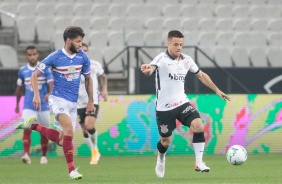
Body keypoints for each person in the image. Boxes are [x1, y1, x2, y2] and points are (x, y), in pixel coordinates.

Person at [140, 30, 230, 178]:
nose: (179, 47)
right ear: (168, 43)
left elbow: (201, 75)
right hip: (164, 108)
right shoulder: (161, 58)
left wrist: (217, 90)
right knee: (166, 141)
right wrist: (147, 69)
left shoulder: (187, 60)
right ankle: (161, 158)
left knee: (198, 125)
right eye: (175, 44)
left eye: (181, 44)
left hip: (182, 103)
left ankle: (199, 162)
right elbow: (151, 69)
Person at [16, 26, 95, 180]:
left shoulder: (83, 57)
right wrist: (37, 95)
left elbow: (88, 80)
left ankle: (33, 126)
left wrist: (91, 101)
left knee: (61, 140)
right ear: (68, 41)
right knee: (68, 131)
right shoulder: (55, 57)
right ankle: (72, 170)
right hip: (58, 99)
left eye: (81, 42)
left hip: (73, 102)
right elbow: (34, 75)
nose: (80, 45)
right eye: (78, 42)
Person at [15, 46, 54, 165]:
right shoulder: (22, 70)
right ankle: (26, 154)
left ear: (37, 55)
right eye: (29, 55)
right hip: (28, 105)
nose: (32, 57)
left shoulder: (44, 68)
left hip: (43, 106)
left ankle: (43, 156)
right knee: (27, 128)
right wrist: (17, 104)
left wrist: (49, 93)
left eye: (34, 54)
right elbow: (19, 88)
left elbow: (51, 82)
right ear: (26, 56)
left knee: (44, 132)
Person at [77, 43, 108, 165]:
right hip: (78, 102)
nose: (83, 52)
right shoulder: (73, 66)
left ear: (87, 51)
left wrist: (104, 90)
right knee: (85, 130)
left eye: (85, 50)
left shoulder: (95, 65)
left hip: (93, 99)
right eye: (81, 50)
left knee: (89, 126)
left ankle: (95, 149)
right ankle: (94, 151)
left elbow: (103, 77)